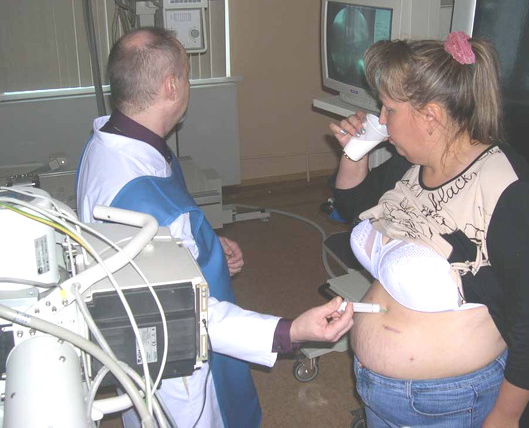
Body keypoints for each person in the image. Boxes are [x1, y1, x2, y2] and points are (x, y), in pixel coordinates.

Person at [76, 26, 354, 428]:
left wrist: (204, 244)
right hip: (176, 367)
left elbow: (168, 234)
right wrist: (290, 332)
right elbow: (192, 317)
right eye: (186, 76)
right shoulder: (143, 202)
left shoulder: (107, 142)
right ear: (171, 86)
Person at [328, 32, 529, 427]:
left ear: (431, 116)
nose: (381, 120)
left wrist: (505, 416)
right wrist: (356, 151)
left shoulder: (511, 194)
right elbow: (353, 208)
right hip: (378, 387)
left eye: (388, 109)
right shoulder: (413, 163)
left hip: (449, 402)